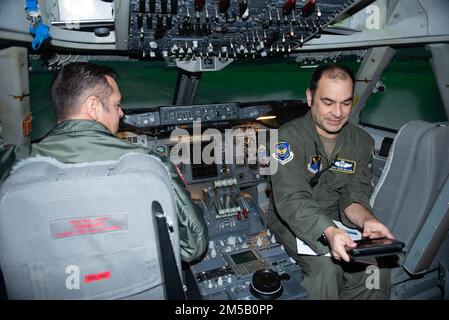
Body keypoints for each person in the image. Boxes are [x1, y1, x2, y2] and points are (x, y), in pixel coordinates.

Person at [17, 62, 207, 263]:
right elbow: (193, 246)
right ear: (93, 107)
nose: (121, 113)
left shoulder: (14, 164)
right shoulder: (150, 164)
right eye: (116, 105)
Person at [268, 64, 394, 299]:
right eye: (328, 102)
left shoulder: (361, 141)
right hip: (293, 221)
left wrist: (368, 220)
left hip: (339, 221)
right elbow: (292, 199)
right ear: (310, 97)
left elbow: (354, 196)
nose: (338, 112)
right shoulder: (285, 139)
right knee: (326, 271)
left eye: (346, 103)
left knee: (377, 267)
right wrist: (328, 231)